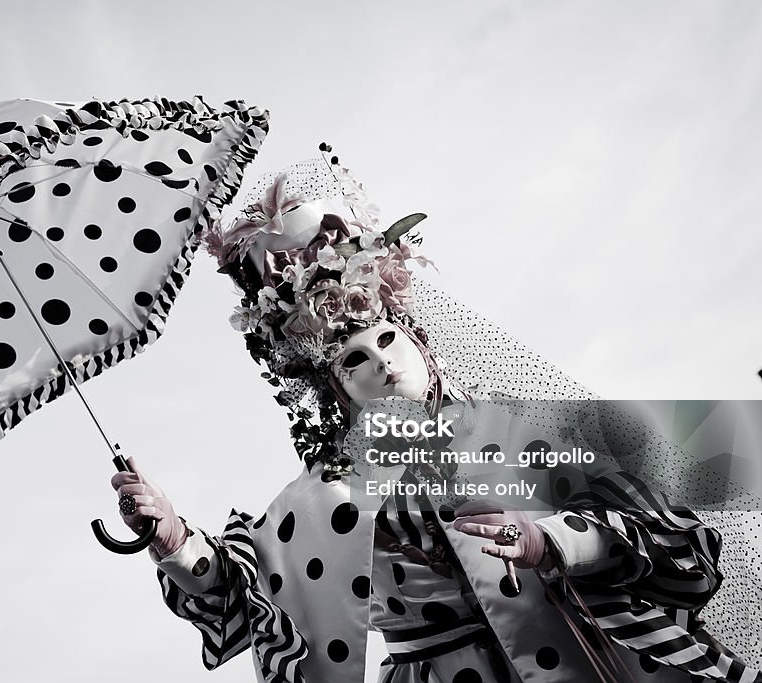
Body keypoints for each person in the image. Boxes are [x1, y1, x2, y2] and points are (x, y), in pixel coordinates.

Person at [109, 157, 761, 683]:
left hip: (596, 653)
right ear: (337, 388)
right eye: (355, 360)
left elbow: (670, 535)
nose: (380, 364)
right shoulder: (325, 495)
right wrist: (170, 535)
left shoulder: (528, 432)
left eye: (389, 341)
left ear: (420, 341)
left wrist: (553, 541)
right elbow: (240, 587)